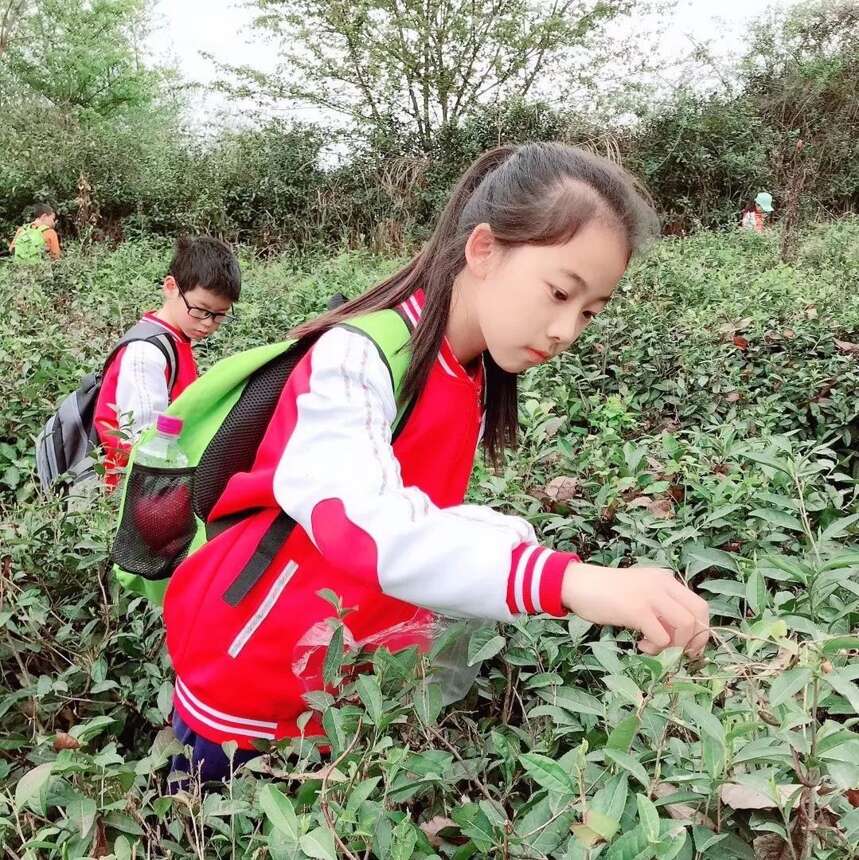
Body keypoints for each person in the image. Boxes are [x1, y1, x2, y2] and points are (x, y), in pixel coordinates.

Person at [162, 142, 711, 784]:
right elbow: (368, 525)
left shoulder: (471, 368)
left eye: (589, 311)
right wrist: (570, 581)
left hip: (338, 681)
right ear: (483, 250)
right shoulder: (354, 357)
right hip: (247, 680)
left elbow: (424, 513)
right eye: (559, 292)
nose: (566, 330)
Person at [94, 236, 241, 487]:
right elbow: (143, 443)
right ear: (171, 287)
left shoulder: (175, 340)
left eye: (219, 316)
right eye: (201, 310)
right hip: (133, 493)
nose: (208, 323)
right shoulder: (146, 353)